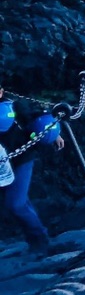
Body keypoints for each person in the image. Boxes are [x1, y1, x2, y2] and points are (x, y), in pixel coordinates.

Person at [0, 93, 63, 251]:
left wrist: (54, 134)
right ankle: (36, 238)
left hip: (21, 159)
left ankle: (40, 241)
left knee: (16, 204)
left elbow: (36, 118)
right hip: (3, 166)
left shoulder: (13, 106)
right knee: (19, 202)